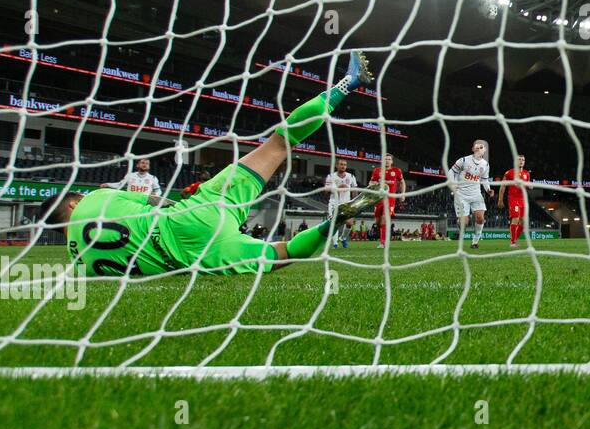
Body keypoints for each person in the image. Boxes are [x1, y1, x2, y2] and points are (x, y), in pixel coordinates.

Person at [55, 52, 385, 277]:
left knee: (281, 253)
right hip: (188, 217)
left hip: (194, 257)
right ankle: (348, 82)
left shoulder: (81, 264)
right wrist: (186, 202)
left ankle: (331, 225)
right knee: (281, 143)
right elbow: (156, 202)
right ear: (72, 202)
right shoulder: (95, 198)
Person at [450, 141, 491, 249]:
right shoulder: (463, 160)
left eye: (481, 147)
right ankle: (460, 223)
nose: (479, 149)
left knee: (480, 218)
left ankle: (475, 242)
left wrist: (488, 189)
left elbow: (485, 179)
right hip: (461, 194)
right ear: (472, 149)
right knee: (464, 223)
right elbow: (451, 172)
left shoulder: (485, 164)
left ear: (484, 150)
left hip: (476, 194)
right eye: (476, 147)